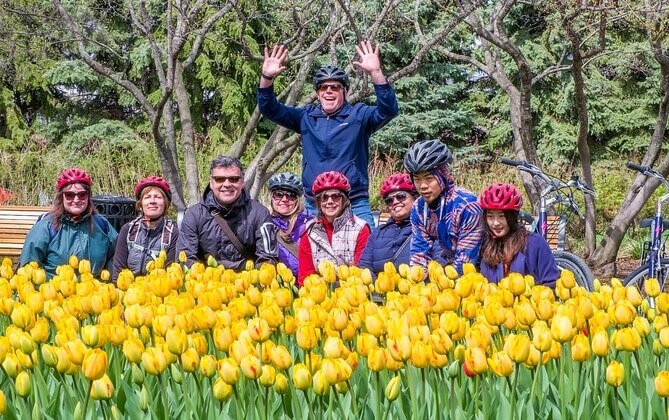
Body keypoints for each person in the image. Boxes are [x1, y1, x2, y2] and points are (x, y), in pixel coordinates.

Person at [257, 41, 399, 228]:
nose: (329, 91)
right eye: (324, 87)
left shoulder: (359, 116)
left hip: (354, 203)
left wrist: (376, 73)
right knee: (308, 256)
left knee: (365, 256)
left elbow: (389, 110)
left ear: (345, 91)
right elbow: (269, 109)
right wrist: (266, 77)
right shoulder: (306, 117)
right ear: (317, 93)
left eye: (335, 87)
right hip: (314, 205)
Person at [177, 156, 278, 270]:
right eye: (219, 179)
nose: (227, 184)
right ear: (211, 183)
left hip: (248, 283)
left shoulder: (260, 214)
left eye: (233, 179)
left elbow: (268, 259)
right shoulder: (194, 215)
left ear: (242, 182)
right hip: (207, 282)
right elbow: (186, 257)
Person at [20, 168, 118, 279]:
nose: (76, 200)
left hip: (93, 292)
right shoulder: (46, 227)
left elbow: (118, 257)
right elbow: (27, 269)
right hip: (54, 292)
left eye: (82, 195)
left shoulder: (101, 224)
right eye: (69, 195)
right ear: (61, 197)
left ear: (89, 196)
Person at [403, 139, 483, 275]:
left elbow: (465, 261)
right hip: (451, 266)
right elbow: (419, 253)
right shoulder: (419, 207)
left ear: (444, 175)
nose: (422, 186)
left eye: (429, 178)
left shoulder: (467, 205)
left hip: (484, 268)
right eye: (417, 179)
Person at [358, 173, 447, 275]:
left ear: (416, 198)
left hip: (419, 288)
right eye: (389, 200)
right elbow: (364, 268)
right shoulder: (378, 233)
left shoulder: (432, 227)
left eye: (401, 196)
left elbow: (440, 265)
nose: (395, 202)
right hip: (381, 289)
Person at [478, 183, 559, 288]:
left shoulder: (535, 244)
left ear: (512, 217)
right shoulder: (486, 245)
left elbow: (552, 283)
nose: (495, 223)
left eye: (502, 216)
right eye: (490, 216)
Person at [297, 171, 371, 286]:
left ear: (344, 199)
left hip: (352, 294)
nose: (329, 201)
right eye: (324, 197)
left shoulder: (360, 229)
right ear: (318, 202)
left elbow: (362, 271)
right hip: (320, 296)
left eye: (335, 196)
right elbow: (305, 278)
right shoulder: (309, 232)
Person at [111, 176, 179, 282]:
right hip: (131, 292)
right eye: (147, 197)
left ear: (165, 203)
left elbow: (171, 274)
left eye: (158, 197)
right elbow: (118, 272)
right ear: (141, 204)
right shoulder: (128, 230)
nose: (152, 201)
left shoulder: (173, 233)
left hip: (158, 290)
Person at [268, 172, 313, 278]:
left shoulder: (309, 225)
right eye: (278, 194)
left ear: (297, 199)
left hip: (305, 283)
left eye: (291, 195)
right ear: (272, 197)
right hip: (275, 285)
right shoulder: (264, 223)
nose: (284, 199)